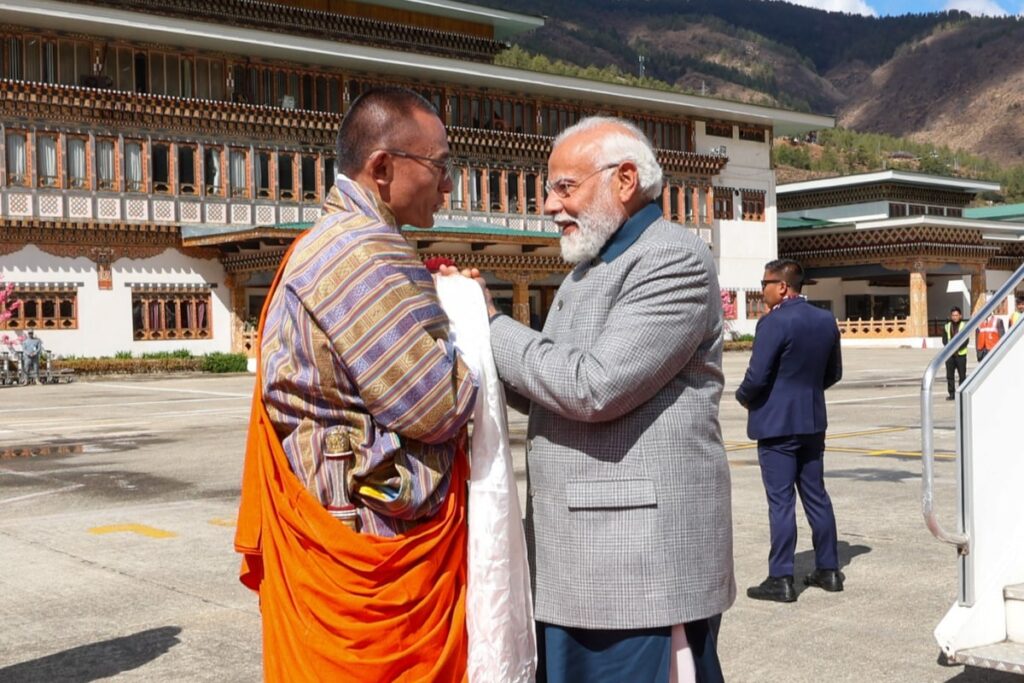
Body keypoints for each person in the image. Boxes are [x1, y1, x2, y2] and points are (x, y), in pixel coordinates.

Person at [471, 117, 734, 681]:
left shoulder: (672, 260)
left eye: (565, 187)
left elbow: (592, 387)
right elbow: (554, 388)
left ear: (625, 180)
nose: (548, 205)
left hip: (635, 564)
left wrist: (491, 323)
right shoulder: (592, 266)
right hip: (581, 555)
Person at [234, 87, 477, 681]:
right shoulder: (361, 253)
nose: (449, 187)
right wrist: (473, 324)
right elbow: (437, 406)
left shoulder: (329, 241)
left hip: (336, 528)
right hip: (370, 547)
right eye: (440, 167)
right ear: (383, 167)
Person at [737, 259, 843, 604]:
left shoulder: (773, 323)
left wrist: (743, 398)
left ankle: (781, 577)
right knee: (817, 496)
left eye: (766, 282)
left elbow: (757, 377)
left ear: (782, 286)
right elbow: (833, 372)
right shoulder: (825, 319)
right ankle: (828, 570)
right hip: (812, 421)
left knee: (781, 502)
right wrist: (807, 394)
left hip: (777, 425)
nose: (762, 288)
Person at [942, 307, 968, 400]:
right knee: (950, 375)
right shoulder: (947, 326)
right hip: (950, 355)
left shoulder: (964, 326)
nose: (955, 317)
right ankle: (952, 394)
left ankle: (961, 393)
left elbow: (966, 340)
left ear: (960, 316)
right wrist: (950, 349)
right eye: (953, 315)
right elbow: (944, 340)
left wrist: (957, 349)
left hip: (961, 355)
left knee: (962, 375)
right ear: (951, 316)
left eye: (956, 315)